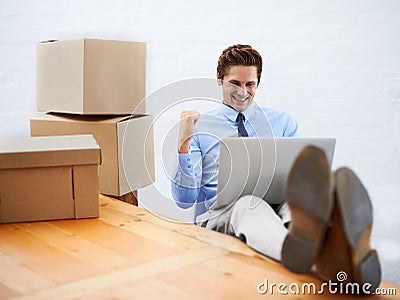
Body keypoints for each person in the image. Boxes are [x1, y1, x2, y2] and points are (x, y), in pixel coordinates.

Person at [171, 44, 381, 293]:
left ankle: (330, 242)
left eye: (250, 84)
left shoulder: (282, 121)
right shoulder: (199, 127)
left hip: (277, 205)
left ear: (258, 82)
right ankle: (323, 260)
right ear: (219, 79)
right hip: (223, 213)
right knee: (249, 204)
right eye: (235, 83)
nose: (243, 92)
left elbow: (292, 177)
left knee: (296, 203)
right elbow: (184, 201)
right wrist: (184, 142)